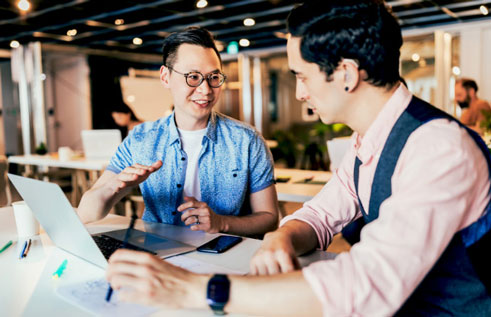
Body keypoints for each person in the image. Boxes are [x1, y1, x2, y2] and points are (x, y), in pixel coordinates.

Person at [105, 1, 491, 316]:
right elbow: (321, 215)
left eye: (302, 76)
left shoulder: (438, 148)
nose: (300, 94)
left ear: (346, 74)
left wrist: (197, 289)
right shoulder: (368, 140)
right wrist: (284, 237)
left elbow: (367, 286)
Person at [78, 27, 278, 237]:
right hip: (158, 255)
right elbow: (86, 212)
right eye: (193, 77)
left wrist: (221, 223)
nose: (206, 89)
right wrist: (113, 187)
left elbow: (269, 218)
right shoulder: (140, 139)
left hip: (225, 257)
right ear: (166, 77)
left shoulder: (247, 140)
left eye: (214, 77)